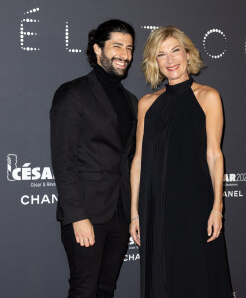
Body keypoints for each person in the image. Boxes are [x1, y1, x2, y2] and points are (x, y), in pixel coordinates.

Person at [130, 26, 232, 297]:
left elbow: (214, 154)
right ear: (155, 61)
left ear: (188, 54)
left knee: (196, 278)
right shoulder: (147, 104)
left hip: (193, 207)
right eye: (161, 54)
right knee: (160, 280)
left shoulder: (208, 97)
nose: (170, 60)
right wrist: (134, 213)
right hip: (154, 209)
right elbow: (139, 161)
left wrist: (217, 208)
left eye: (176, 50)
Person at [50, 19, 137, 298]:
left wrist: (132, 213)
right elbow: (64, 161)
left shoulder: (132, 101)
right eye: (117, 46)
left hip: (119, 214)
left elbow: (129, 161)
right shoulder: (73, 93)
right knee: (84, 290)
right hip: (86, 214)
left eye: (129, 48)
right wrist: (77, 216)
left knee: (106, 290)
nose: (124, 54)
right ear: (97, 49)